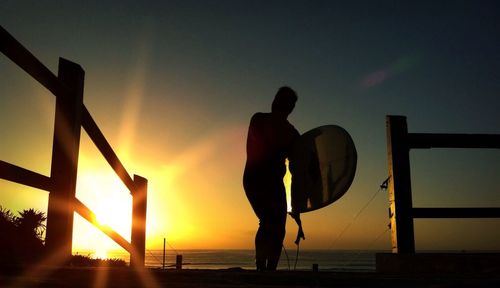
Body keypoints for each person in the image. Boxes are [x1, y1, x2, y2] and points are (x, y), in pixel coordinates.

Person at [243, 86, 300, 271]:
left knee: (278, 228)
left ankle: (269, 271)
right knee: (268, 222)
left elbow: (297, 170)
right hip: (255, 179)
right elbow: (257, 149)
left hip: (273, 184)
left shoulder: (292, 134)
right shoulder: (259, 119)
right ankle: (262, 270)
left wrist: (297, 206)